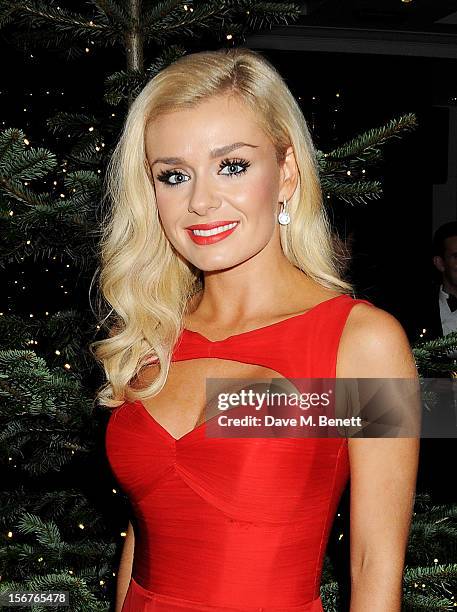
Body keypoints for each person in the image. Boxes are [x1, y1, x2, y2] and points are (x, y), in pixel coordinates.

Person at [90, 47, 420, 612]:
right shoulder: (153, 332)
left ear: (287, 172)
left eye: (232, 166)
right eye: (173, 176)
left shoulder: (361, 342)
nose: (200, 201)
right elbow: (142, 538)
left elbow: (372, 568)